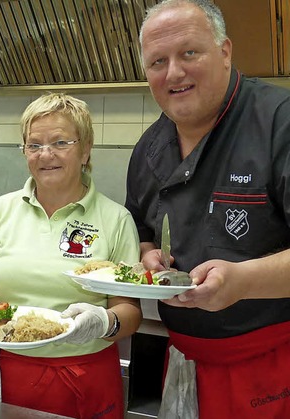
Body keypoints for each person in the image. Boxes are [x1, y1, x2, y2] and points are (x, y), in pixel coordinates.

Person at [125, 1, 290, 417]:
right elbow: (142, 228)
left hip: (273, 365)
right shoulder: (148, 149)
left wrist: (245, 281)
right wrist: (148, 255)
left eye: (189, 53)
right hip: (183, 363)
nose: (174, 73)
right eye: (158, 61)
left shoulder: (278, 122)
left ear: (225, 51)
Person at [0, 93, 142, 418]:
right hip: (4, 368)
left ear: (85, 149)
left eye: (60, 142)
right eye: (34, 145)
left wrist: (103, 323)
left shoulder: (116, 220)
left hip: (86, 373)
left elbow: (129, 310)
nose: (46, 155)